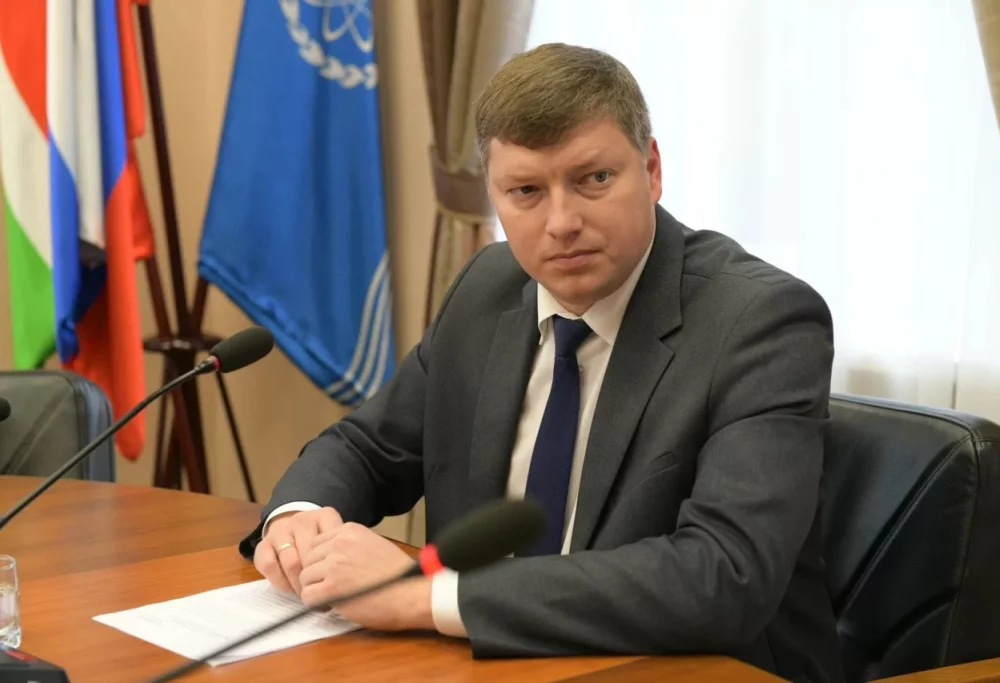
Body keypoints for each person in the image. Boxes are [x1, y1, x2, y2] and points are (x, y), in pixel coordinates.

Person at [239, 42, 845, 683]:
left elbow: (724, 575)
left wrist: (427, 596)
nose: (562, 222)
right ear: (494, 195)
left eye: (595, 179)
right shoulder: (488, 287)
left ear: (652, 169)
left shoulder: (759, 321)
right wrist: (298, 519)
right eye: (526, 190)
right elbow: (367, 448)